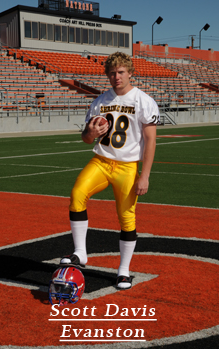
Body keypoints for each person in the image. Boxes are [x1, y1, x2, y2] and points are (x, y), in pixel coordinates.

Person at [60, 52, 160, 290]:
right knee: (77, 195)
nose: (117, 77)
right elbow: (86, 138)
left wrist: (144, 175)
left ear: (130, 73)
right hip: (102, 161)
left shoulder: (143, 100)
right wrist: (90, 135)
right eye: (112, 73)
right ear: (108, 75)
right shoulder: (100, 101)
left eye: (121, 72)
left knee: (127, 217)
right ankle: (80, 253)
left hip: (127, 167)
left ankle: (123, 271)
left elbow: (150, 140)